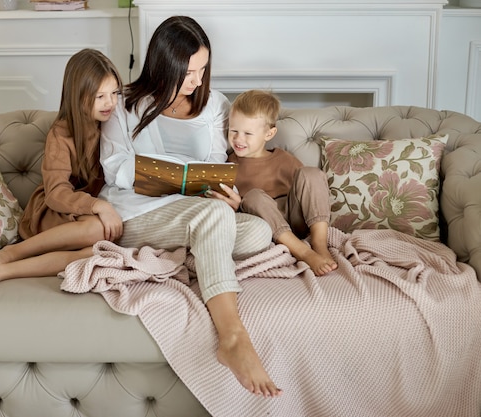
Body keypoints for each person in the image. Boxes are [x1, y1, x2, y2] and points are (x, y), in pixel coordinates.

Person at [99, 16, 282, 398]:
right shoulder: (126, 105)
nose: (198, 81)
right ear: (166, 65)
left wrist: (225, 193)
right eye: (190, 72)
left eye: (203, 70)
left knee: (259, 231)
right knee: (215, 218)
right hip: (136, 212)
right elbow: (115, 168)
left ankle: (188, 251)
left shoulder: (214, 104)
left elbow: (217, 166)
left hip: (195, 213)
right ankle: (232, 336)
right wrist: (171, 178)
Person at [0, 48, 124, 294]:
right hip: (53, 210)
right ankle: (12, 252)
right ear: (78, 96)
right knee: (97, 229)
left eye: (114, 93)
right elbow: (56, 192)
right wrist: (99, 206)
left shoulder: (112, 125)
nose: (111, 103)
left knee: (95, 251)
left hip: (82, 219)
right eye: (99, 96)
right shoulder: (61, 132)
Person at [211, 89, 338, 276]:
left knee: (311, 173)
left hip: (297, 221)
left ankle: (319, 244)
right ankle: (304, 252)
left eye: (248, 133)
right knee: (252, 196)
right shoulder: (228, 165)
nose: (238, 139)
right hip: (266, 228)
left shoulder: (283, 158)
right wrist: (238, 206)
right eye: (233, 131)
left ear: (269, 134)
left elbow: (309, 190)